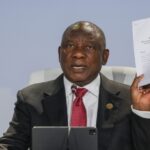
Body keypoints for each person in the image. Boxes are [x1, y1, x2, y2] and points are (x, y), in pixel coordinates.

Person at [0, 21, 150, 150]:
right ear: (60, 53)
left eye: (89, 47)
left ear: (104, 56)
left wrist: (143, 112)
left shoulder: (129, 100)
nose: (78, 54)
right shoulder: (30, 99)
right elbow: (11, 145)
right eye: (70, 46)